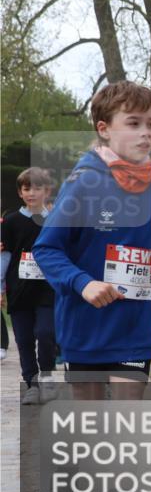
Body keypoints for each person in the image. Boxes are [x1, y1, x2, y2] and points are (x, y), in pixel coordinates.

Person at [33, 80, 151, 492]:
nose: (146, 134)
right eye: (133, 123)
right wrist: (85, 283)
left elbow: (140, 247)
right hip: (85, 322)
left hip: (135, 322)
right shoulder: (84, 183)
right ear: (105, 129)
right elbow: (48, 249)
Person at [2, 167, 58, 404]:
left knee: (46, 334)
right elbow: (5, 257)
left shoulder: (57, 221)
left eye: (37, 188)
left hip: (48, 289)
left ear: (47, 191)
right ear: (20, 192)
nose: (32, 193)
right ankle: (31, 382)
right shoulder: (11, 222)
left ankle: (46, 377)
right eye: (27, 188)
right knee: (23, 339)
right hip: (19, 290)